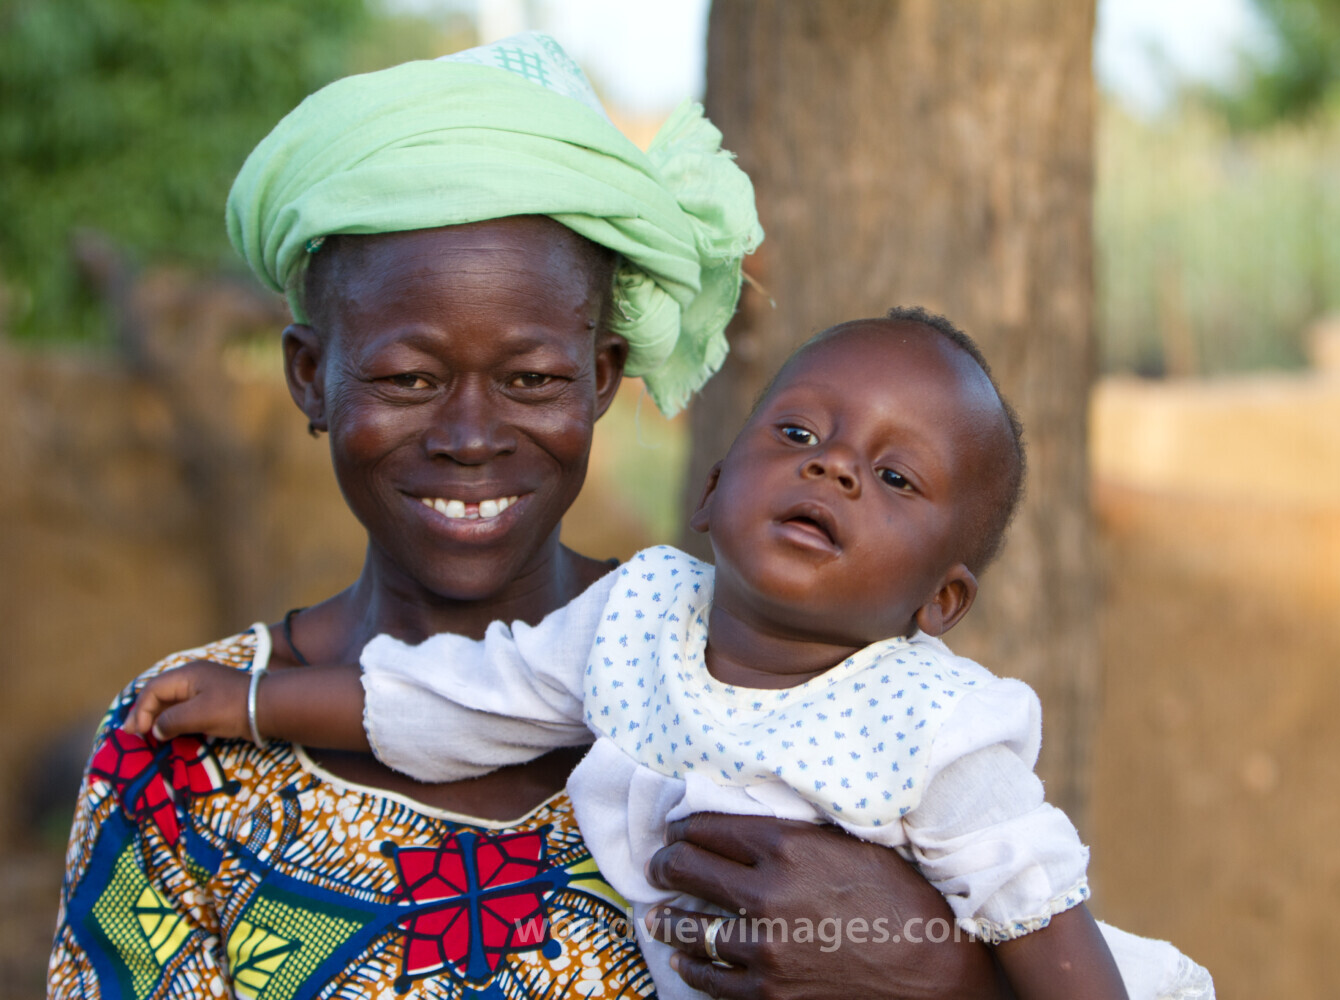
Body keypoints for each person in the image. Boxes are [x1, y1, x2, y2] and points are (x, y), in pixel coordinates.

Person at [49, 34, 1034, 1000]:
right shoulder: (181, 754)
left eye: (532, 378)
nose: (470, 434)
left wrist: (943, 974)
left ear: (602, 379)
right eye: (407, 377)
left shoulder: (785, 679)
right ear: (312, 376)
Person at [127, 313, 1215, 1000]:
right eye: (798, 435)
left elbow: (1037, 915)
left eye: (894, 478)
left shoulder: (936, 728)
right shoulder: (636, 618)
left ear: (943, 599)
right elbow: (455, 698)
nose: (833, 468)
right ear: (708, 492)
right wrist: (260, 703)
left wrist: (913, 959)